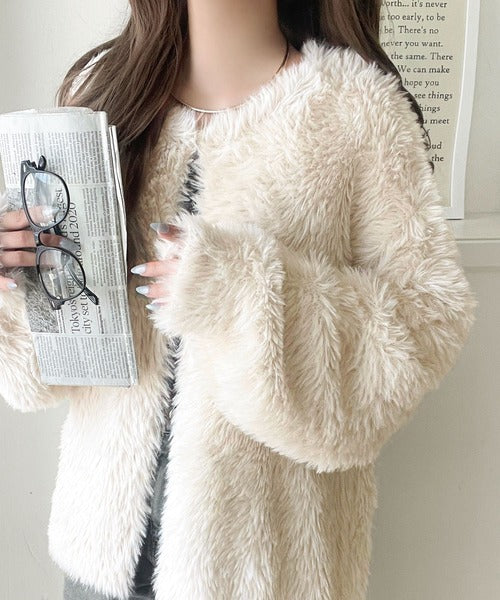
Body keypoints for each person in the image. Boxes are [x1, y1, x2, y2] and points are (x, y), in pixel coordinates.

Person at [0, 1, 478, 599]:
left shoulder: (357, 109)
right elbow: (44, 372)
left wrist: (242, 293)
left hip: (266, 572)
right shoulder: (104, 97)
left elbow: (426, 322)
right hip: (98, 562)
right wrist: (16, 281)